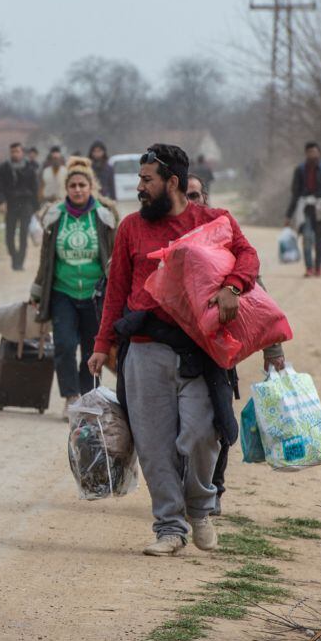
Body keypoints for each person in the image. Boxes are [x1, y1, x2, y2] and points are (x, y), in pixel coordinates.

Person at [89, 144, 260, 555]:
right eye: (140, 180)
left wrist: (232, 286)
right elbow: (116, 292)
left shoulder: (213, 221)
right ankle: (169, 528)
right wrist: (102, 344)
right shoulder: (131, 227)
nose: (139, 187)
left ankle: (200, 509)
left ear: (173, 183)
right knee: (153, 445)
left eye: (147, 180)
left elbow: (248, 257)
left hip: (199, 350)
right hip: (144, 350)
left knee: (203, 435)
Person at [188, 173, 285, 516]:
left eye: (196, 195)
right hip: (174, 349)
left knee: (219, 421)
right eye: (185, 196)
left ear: (206, 199)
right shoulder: (165, 237)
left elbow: (256, 290)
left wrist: (273, 350)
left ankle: (214, 489)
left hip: (218, 350)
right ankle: (183, 490)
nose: (191, 203)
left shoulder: (222, 234)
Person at [31, 157, 117, 418]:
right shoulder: (55, 216)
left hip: (95, 294)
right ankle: (71, 396)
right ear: (66, 188)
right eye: (73, 185)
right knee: (65, 345)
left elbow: (115, 257)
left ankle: (89, 398)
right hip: (62, 292)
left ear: (91, 187)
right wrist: (36, 290)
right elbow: (46, 257)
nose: (78, 190)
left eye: (82, 185)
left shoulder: (105, 216)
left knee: (93, 349)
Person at [284, 141, 321, 277]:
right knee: (307, 237)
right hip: (305, 208)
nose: (312, 154)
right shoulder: (300, 170)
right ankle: (309, 268)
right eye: (310, 152)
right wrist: (288, 215)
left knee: (320, 239)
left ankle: (318, 267)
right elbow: (295, 193)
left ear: (319, 153)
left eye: (314, 152)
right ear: (306, 153)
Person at [0, 142, 39, 270]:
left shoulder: (30, 167)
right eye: (12, 151)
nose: (15, 154)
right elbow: (0, 187)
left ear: (22, 152)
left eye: (17, 151)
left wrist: (36, 208)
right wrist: (1, 202)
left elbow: (35, 187)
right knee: (9, 234)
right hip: (11, 203)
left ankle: (19, 262)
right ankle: (14, 256)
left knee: (23, 233)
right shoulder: (4, 167)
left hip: (26, 204)